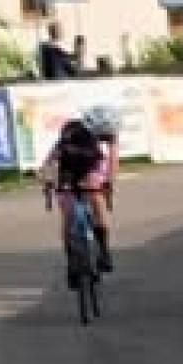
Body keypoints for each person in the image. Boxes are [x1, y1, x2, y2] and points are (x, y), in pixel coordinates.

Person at [40, 106, 120, 280]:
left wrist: (109, 182)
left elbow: (113, 160)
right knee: (67, 214)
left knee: (96, 197)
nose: (105, 138)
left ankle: (104, 251)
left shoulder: (110, 134)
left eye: (107, 135)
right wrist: (47, 181)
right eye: (102, 135)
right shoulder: (72, 134)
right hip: (68, 168)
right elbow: (49, 162)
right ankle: (71, 261)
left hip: (92, 166)